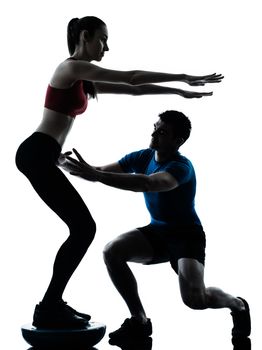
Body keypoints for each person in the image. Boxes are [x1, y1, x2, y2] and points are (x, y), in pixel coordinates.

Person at [15, 15, 223, 329]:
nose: (107, 47)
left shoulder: (81, 78)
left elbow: (134, 91)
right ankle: (49, 306)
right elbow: (132, 77)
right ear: (85, 36)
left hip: (42, 154)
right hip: (36, 153)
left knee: (82, 228)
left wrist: (177, 92)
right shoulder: (70, 68)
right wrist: (183, 76)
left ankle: (51, 304)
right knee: (84, 228)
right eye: (103, 39)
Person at [59, 110, 251, 341]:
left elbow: (148, 183)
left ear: (177, 141)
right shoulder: (143, 156)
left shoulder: (181, 167)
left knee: (195, 300)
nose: (154, 133)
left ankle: (237, 305)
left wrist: (96, 175)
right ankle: (139, 320)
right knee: (112, 251)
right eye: (155, 127)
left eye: (162, 132)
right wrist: (61, 161)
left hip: (186, 236)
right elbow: (97, 172)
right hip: (158, 231)